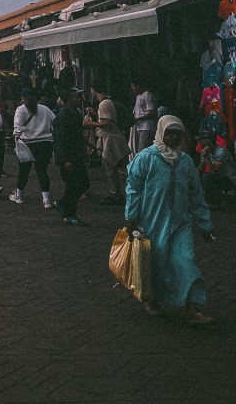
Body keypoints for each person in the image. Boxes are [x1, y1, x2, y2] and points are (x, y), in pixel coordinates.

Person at [125, 116, 215, 324]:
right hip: (151, 222)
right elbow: (133, 190)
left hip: (180, 224)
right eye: (170, 132)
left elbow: (196, 195)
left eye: (178, 133)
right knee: (154, 264)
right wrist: (131, 218)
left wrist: (204, 225)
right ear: (161, 132)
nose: (174, 137)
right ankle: (150, 299)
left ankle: (193, 308)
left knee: (186, 261)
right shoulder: (145, 158)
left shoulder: (186, 162)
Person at [9, 87, 56, 208]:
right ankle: (46, 200)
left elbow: (18, 127)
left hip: (28, 144)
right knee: (42, 172)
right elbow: (55, 121)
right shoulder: (45, 109)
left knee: (24, 171)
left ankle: (19, 196)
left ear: (23, 98)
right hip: (45, 143)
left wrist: (16, 141)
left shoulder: (21, 109)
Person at [83, 83, 128, 205]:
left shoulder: (104, 104)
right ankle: (116, 192)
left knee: (111, 165)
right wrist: (94, 114)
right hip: (111, 137)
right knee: (112, 165)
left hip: (111, 138)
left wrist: (90, 123)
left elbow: (106, 123)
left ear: (93, 90)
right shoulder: (107, 101)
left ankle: (116, 193)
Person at [52, 87, 90, 226]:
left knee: (83, 183)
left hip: (77, 156)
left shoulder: (76, 114)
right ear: (66, 100)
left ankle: (63, 203)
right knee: (73, 185)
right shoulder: (62, 117)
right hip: (69, 158)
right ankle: (70, 214)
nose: (78, 99)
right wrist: (65, 160)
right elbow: (60, 140)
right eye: (75, 97)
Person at [130, 79, 158, 159]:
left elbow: (151, 112)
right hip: (140, 127)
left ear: (138, 86)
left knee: (142, 150)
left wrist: (137, 119)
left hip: (147, 127)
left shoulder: (147, 95)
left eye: (133, 86)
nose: (132, 88)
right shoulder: (138, 97)